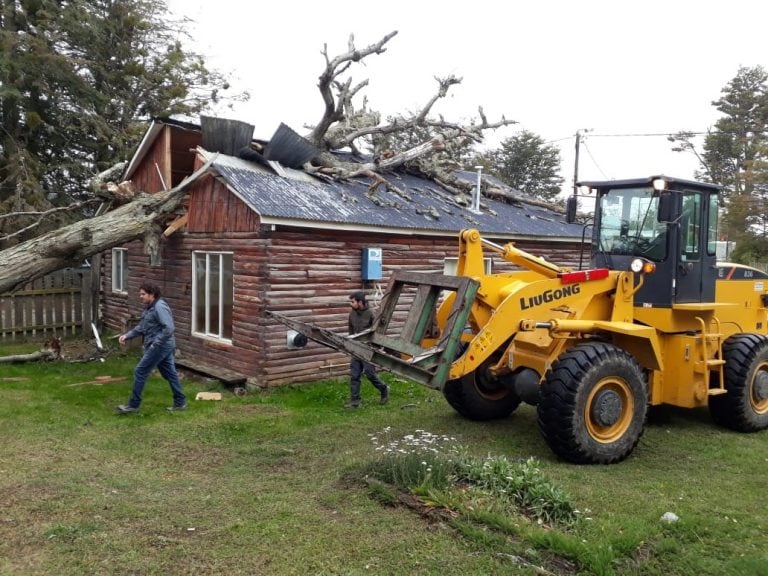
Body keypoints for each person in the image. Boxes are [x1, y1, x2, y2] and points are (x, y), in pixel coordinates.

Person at [115, 282, 187, 414]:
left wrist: (156, 343)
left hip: (160, 346)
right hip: (161, 345)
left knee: (140, 371)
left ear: (152, 295)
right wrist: (128, 335)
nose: (140, 296)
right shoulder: (149, 308)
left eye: (143, 294)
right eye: (140, 294)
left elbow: (169, 328)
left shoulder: (160, 307)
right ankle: (180, 403)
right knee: (170, 374)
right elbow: (143, 327)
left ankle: (133, 405)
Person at [345, 290, 389, 408]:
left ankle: (384, 389)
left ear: (360, 302)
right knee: (355, 376)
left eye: (353, 302)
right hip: (355, 349)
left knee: (370, 374)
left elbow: (377, 333)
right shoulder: (352, 314)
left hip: (368, 350)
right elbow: (351, 331)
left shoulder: (371, 314)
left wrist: (375, 349)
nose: (351, 304)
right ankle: (355, 400)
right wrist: (350, 345)